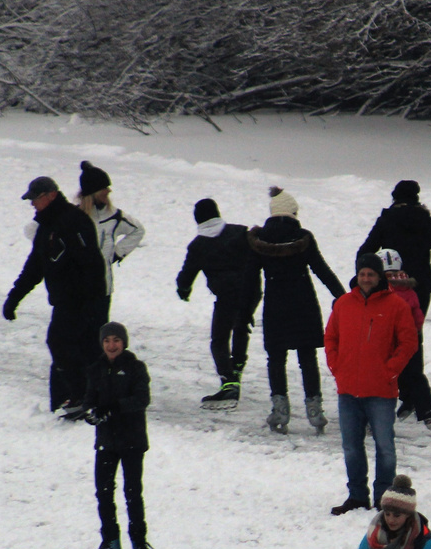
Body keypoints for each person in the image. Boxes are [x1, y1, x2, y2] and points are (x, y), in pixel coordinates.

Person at [3, 176, 108, 415]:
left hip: (82, 300)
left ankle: (83, 397)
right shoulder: (47, 226)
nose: (32, 204)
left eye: (35, 199)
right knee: (73, 349)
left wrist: (94, 301)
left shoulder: (74, 220)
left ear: (51, 195)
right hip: (64, 301)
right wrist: (14, 297)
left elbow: (92, 262)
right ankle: (80, 398)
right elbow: (34, 267)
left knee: (63, 344)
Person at [322, 254, 417, 514]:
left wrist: (390, 371)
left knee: (385, 447)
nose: (366, 278)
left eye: (371, 274)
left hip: (381, 391)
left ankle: (384, 498)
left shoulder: (396, 305)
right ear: (358, 275)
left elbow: (408, 342)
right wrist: (336, 367)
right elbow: (330, 337)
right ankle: (357, 496)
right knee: (352, 447)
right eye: (363, 274)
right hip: (348, 390)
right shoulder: (343, 303)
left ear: (379, 277)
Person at [248, 187, 345, 434]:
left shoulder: (259, 241)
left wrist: (247, 308)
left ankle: (280, 409)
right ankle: (315, 410)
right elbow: (321, 270)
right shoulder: (304, 237)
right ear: (292, 212)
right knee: (307, 358)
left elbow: (252, 280)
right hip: (304, 304)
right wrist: (343, 298)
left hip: (275, 306)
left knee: (276, 359)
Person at [81, 322, 155, 549]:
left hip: (132, 440)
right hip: (106, 442)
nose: (111, 345)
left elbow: (141, 399)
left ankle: (140, 545)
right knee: (104, 493)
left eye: (116, 340)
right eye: (107, 341)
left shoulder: (135, 368)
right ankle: (110, 545)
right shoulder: (96, 369)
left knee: (133, 493)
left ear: (124, 342)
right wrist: (91, 413)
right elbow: (90, 400)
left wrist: (113, 408)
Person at [177, 198, 263, 412]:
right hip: (251, 291)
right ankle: (238, 368)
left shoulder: (198, 245)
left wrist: (184, 290)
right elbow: (258, 255)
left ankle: (229, 380)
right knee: (241, 326)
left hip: (227, 296)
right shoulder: (240, 232)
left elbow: (187, 273)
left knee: (219, 339)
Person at [356, 180, 431, 316]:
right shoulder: (425, 221)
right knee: (414, 331)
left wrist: (362, 280)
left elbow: (364, 253)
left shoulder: (386, 221)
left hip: (391, 283)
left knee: (388, 331)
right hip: (420, 284)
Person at [383, 251, 431, 434]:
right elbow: (417, 314)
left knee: (385, 377)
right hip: (410, 340)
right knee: (415, 375)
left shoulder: (382, 291)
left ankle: (376, 418)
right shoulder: (408, 289)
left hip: (389, 343)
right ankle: (428, 412)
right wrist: (415, 332)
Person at [74, 160, 145, 303]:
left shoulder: (115, 216)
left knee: (100, 326)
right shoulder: (73, 217)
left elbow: (138, 230)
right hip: (75, 291)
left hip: (103, 291)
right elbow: (34, 230)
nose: (109, 190)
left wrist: (117, 253)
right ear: (93, 192)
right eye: (104, 187)